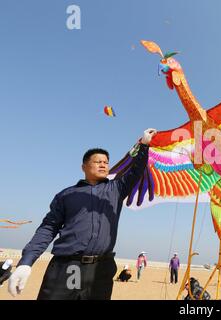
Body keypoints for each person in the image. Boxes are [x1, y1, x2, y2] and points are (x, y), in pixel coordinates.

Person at [8, 128, 157, 300]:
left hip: (101, 269)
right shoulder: (66, 195)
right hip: (69, 266)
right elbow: (48, 228)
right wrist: (26, 262)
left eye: (106, 162)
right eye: (98, 161)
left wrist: (144, 145)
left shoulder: (116, 189)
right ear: (84, 166)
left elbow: (136, 170)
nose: (103, 165)